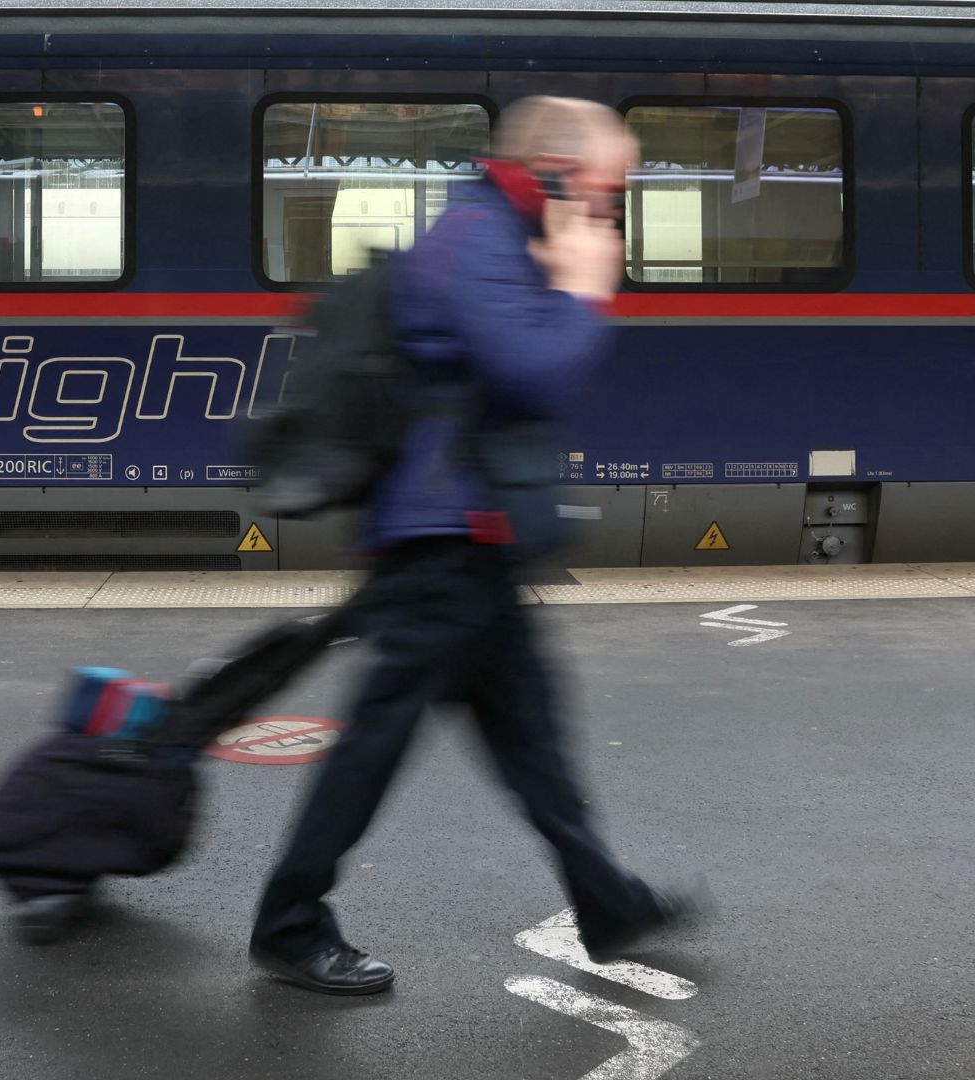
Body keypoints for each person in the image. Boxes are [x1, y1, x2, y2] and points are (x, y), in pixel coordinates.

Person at [248, 97, 702, 996]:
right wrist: (581, 286)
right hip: (441, 543)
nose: (614, 208)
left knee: (533, 741)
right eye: (610, 187)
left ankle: (607, 902)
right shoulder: (477, 237)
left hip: (472, 539)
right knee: (373, 745)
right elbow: (535, 375)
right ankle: (290, 923)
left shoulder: (498, 233)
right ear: (555, 169)